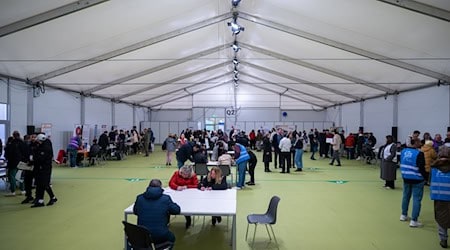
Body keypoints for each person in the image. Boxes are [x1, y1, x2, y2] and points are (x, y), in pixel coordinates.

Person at [133, 179, 180, 249]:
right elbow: (177, 210)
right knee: (172, 237)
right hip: (161, 235)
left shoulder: (140, 198)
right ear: (160, 187)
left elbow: (135, 211)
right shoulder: (166, 199)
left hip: (142, 235)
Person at [399, 138, 426, 227]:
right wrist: (425, 177)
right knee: (416, 199)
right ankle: (414, 220)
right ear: (415, 143)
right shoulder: (419, 153)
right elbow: (421, 167)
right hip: (417, 178)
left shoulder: (403, 151)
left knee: (406, 196)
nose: (420, 143)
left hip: (406, 177)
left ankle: (403, 215)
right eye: (419, 141)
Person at [430, 146, 450, 249]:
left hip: (439, 196)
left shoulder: (434, 167)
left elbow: (430, 181)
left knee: (441, 218)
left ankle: (443, 240)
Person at [31, 133, 57, 208]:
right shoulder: (46, 144)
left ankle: (52, 198)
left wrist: (33, 159)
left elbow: (41, 158)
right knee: (40, 184)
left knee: (44, 184)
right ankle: (40, 200)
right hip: (42, 168)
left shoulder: (44, 148)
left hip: (44, 168)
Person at [4, 131, 27, 196]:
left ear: (13, 136)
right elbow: (26, 152)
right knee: (21, 176)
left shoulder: (11, 144)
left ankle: (13, 191)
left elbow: (7, 154)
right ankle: (23, 190)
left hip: (13, 163)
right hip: (22, 162)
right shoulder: (23, 143)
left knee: (12, 176)